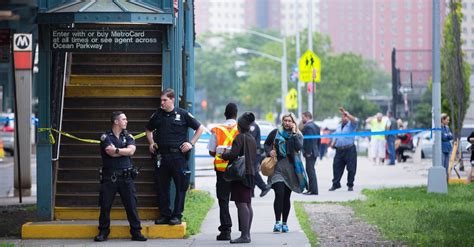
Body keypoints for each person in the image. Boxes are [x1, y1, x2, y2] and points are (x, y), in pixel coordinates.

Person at [145, 88, 205, 226]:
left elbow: (199, 128)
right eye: (161, 100)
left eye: (165, 100)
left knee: (180, 187)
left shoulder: (182, 114)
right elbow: (148, 130)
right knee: (162, 187)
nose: (162, 103)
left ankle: (177, 215)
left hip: (178, 156)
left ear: (172, 100)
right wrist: (152, 143)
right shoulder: (157, 115)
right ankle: (165, 214)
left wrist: (191, 143)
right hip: (162, 156)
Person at [95, 111, 147, 242]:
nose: (126, 121)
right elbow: (110, 153)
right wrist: (124, 152)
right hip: (110, 177)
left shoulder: (128, 136)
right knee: (105, 206)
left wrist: (117, 150)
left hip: (126, 177)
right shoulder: (105, 137)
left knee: (131, 206)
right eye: (124, 119)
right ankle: (103, 232)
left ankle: (136, 232)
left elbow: (132, 151)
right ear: (116, 121)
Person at [264, 113, 307, 233]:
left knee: (286, 196)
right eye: (285, 120)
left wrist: (294, 133)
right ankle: (277, 222)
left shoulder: (298, 135)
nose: (287, 123)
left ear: (293, 122)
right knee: (279, 193)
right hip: (277, 167)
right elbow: (266, 144)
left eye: (289, 121)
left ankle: (285, 223)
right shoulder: (275, 132)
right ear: (282, 121)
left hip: (291, 169)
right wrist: (269, 152)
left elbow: (298, 147)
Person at [221, 112, 257, 244]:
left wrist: (224, 154)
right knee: (247, 203)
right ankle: (247, 233)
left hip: (240, 175)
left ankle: (244, 236)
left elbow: (233, 154)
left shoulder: (239, 138)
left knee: (241, 203)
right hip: (251, 173)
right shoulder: (251, 138)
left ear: (240, 125)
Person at [207, 103, 239, 241]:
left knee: (223, 200)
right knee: (242, 201)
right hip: (238, 169)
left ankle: (226, 230)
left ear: (225, 114)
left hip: (222, 170)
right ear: (236, 114)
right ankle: (244, 230)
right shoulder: (241, 129)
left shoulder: (217, 129)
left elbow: (211, 151)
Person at [329, 107, 358, 192]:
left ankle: (350, 185)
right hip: (339, 150)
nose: (344, 117)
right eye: (343, 116)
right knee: (336, 167)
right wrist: (333, 144)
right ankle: (336, 184)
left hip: (349, 149)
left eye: (346, 116)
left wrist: (347, 114)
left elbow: (355, 120)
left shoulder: (352, 126)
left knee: (351, 168)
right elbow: (336, 136)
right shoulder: (338, 126)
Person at [249, 121, 271, 198]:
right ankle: (251, 191)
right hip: (252, 152)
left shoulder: (252, 126)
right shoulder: (250, 125)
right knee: (250, 172)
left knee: (253, 171)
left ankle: (264, 187)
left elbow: (251, 138)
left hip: (254, 153)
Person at [301, 111, 320, 195]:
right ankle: (311, 189)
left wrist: (308, 152)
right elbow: (318, 140)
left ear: (307, 117)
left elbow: (309, 140)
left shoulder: (308, 127)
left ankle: (313, 190)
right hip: (314, 151)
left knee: (310, 171)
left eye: (303, 117)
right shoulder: (316, 126)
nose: (302, 119)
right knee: (310, 170)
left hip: (310, 152)